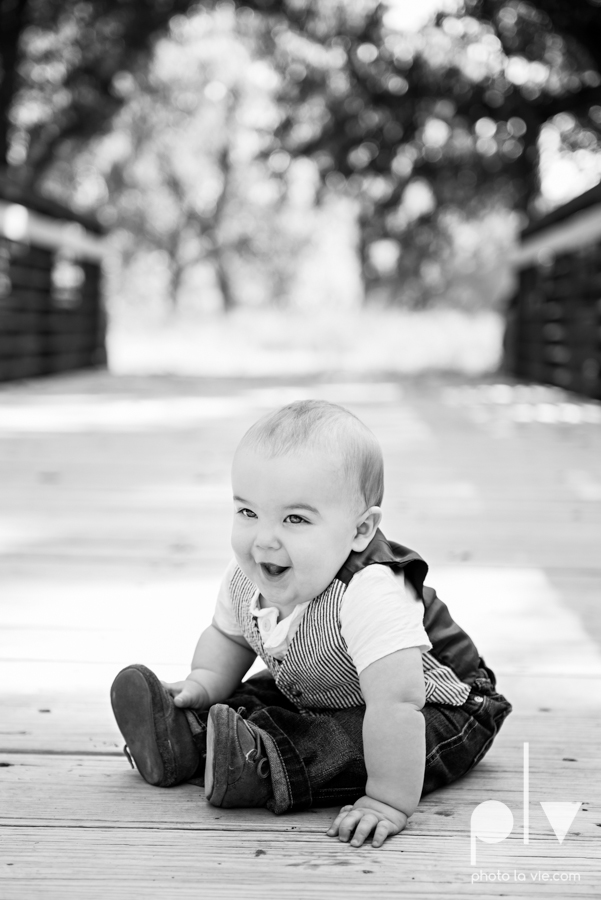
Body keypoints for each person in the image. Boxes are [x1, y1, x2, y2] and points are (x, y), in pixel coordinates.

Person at [111, 399, 511, 849]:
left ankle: (262, 763)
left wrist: (386, 802)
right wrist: (202, 682)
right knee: (253, 693)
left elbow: (397, 706)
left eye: (295, 519)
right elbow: (228, 635)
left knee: (341, 739)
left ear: (361, 530)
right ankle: (188, 735)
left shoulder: (376, 588)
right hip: (329, 682)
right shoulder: (248, 573)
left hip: (440, 704)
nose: (264, 538)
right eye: (247, 512)